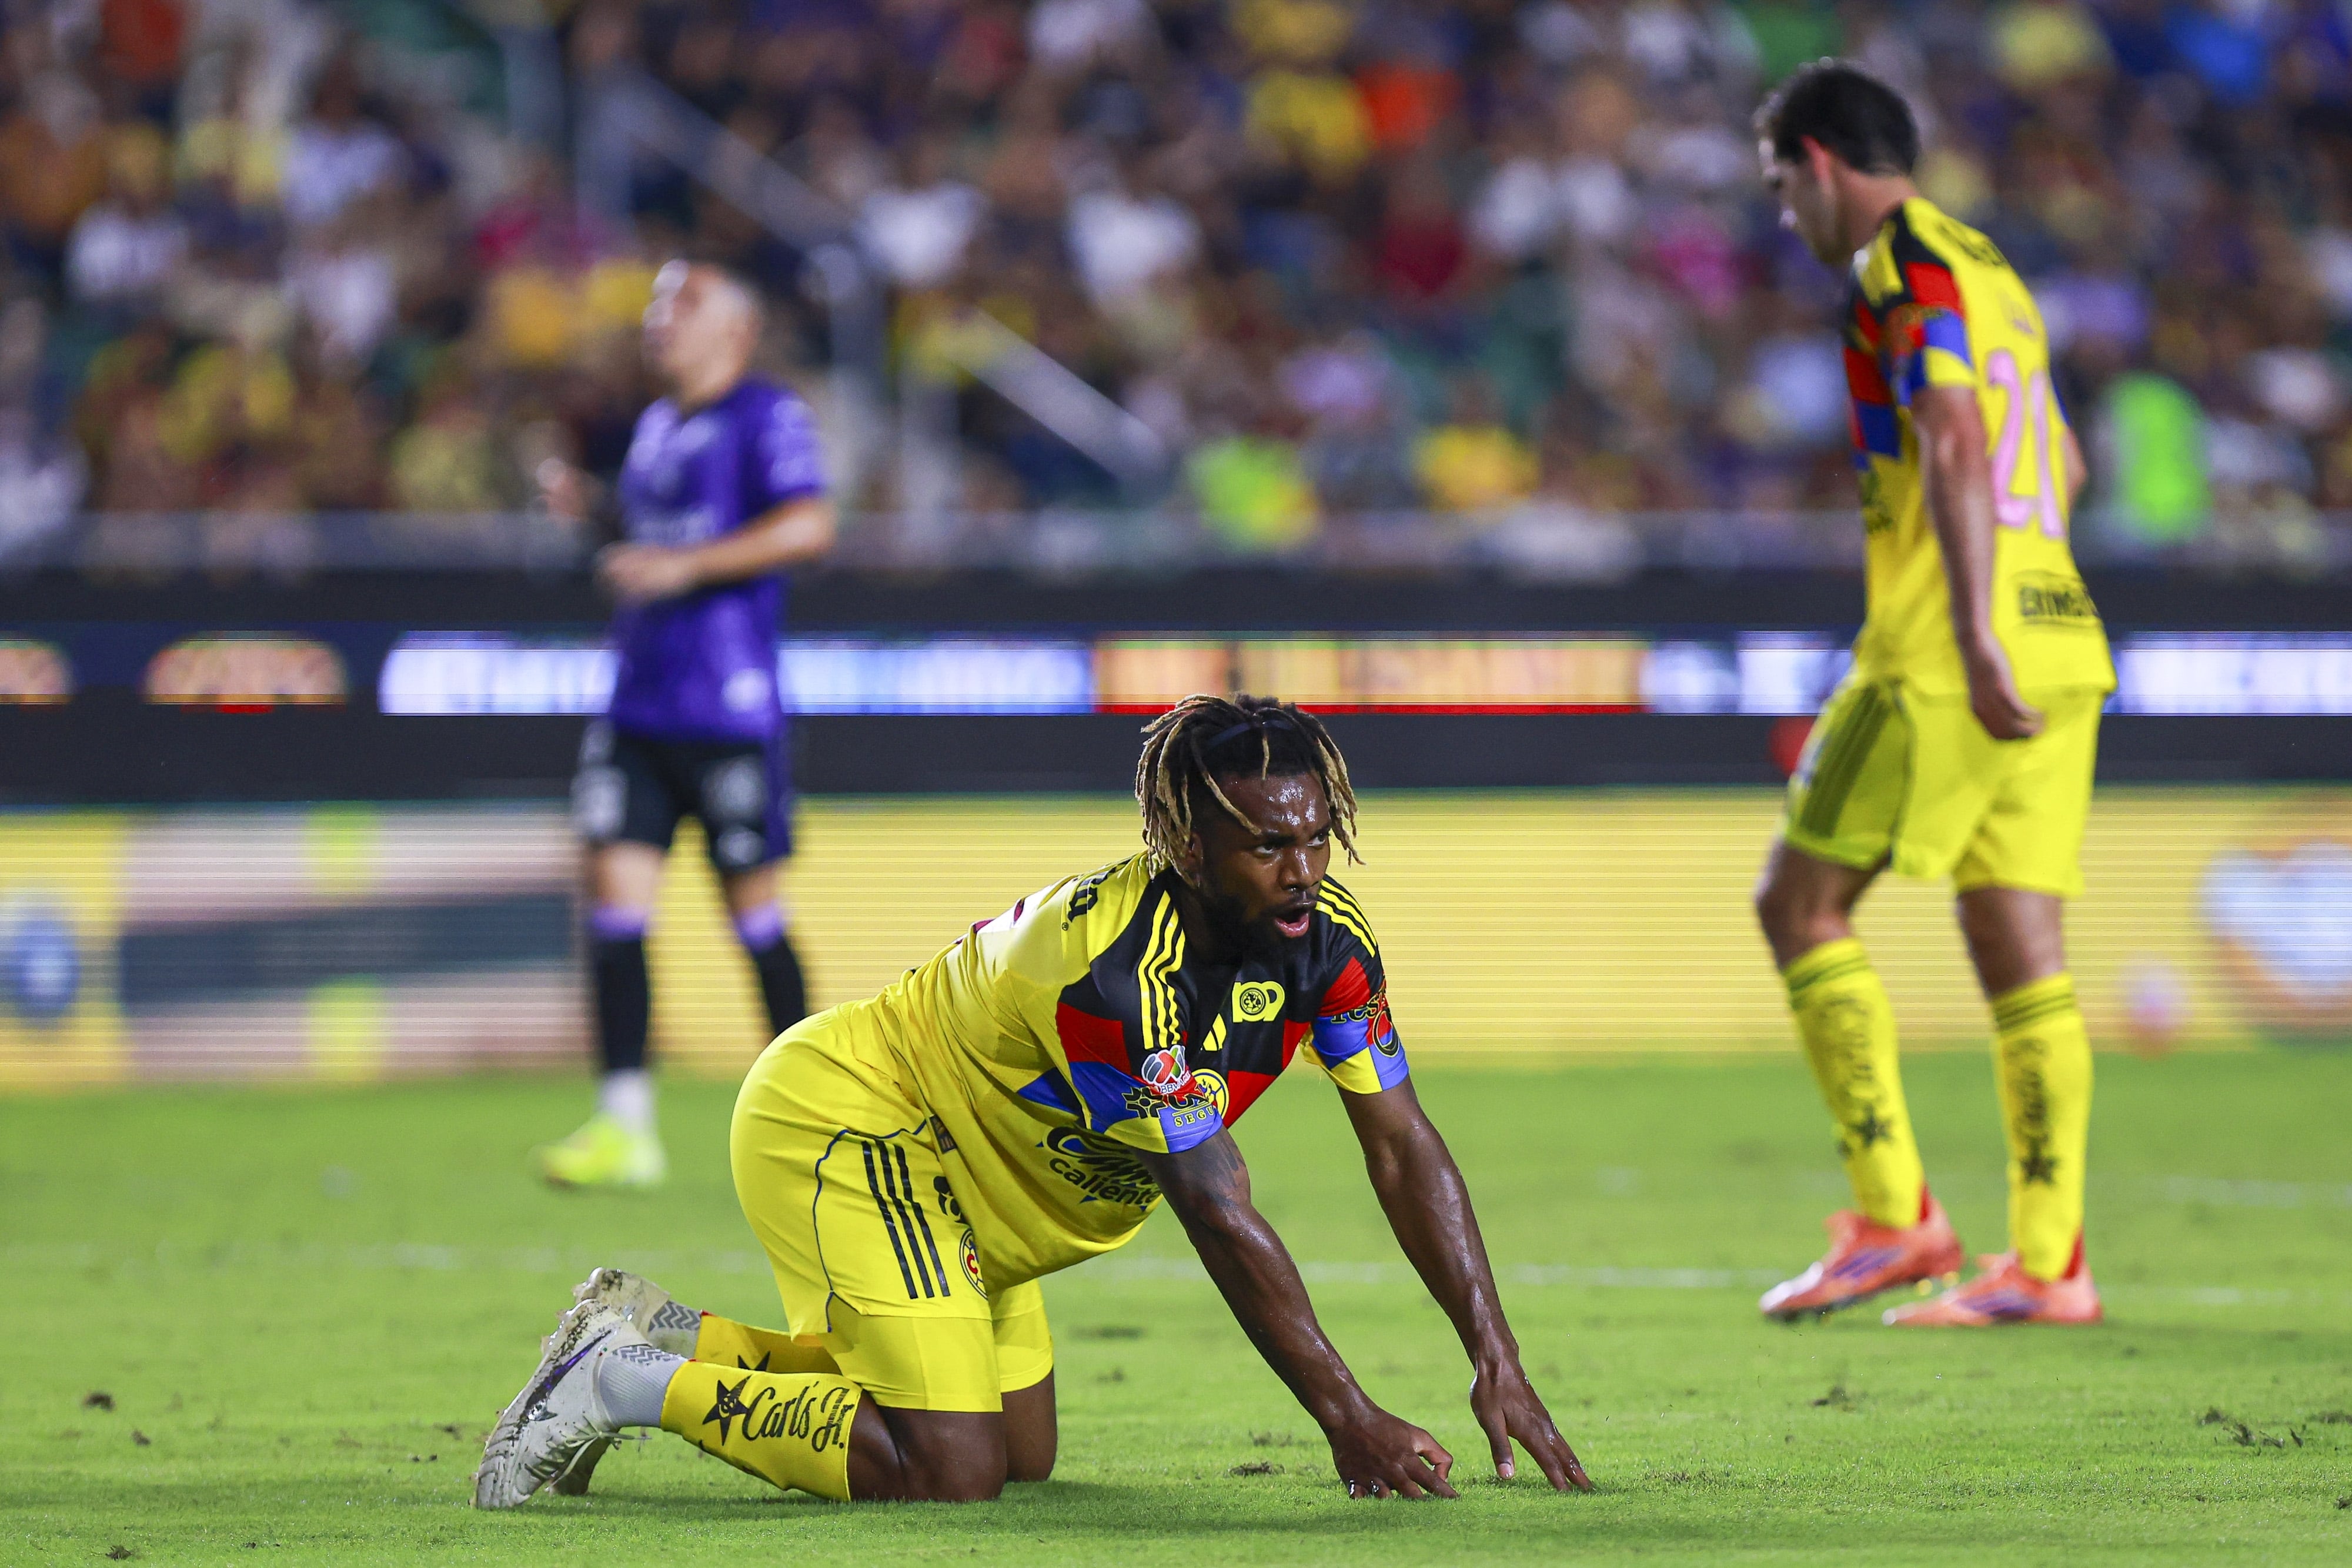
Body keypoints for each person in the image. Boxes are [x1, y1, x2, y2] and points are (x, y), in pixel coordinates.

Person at [476, 694, 1593, 1505]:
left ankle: (667, 1336)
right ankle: (619, 1382)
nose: (1302, 870)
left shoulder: (1326, 943)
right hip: (864, 1123)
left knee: (1021, 1452)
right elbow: (1215, 1205)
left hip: (980, 1186)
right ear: (1186, 844)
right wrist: (1348, 1418)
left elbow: (1400, 1145)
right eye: (1267, 846)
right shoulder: (1119, 975)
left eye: (1316, 838)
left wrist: (1493, 1352)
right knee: (949, 1466)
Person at [1750, 63, 2114, 1327]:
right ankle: (2050, 1266)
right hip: (2061, 632)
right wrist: (2015, 600)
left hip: (1942, 651)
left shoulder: (1898, 266)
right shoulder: (1991, 269)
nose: (1783, 213)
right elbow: (2062, 459)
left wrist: (1966, 624)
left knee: (1798, 905)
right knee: (2020, 947)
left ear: (1820, 161)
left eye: (1780, 185)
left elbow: (1955, 436)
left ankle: (1896, 1218)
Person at [537, 260, 836, 1190]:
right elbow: (648, 550)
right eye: (660, 301)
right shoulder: (657, 427)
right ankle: (625, 1126)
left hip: (726, 705)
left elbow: (808, 526)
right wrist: (594, 516)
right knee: (614, 906)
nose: (660, 316)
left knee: (754, 915)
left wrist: (688, 564)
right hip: (638, 700)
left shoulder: (766, 415)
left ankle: (820, 1119)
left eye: (686, 300)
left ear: (736, 331)